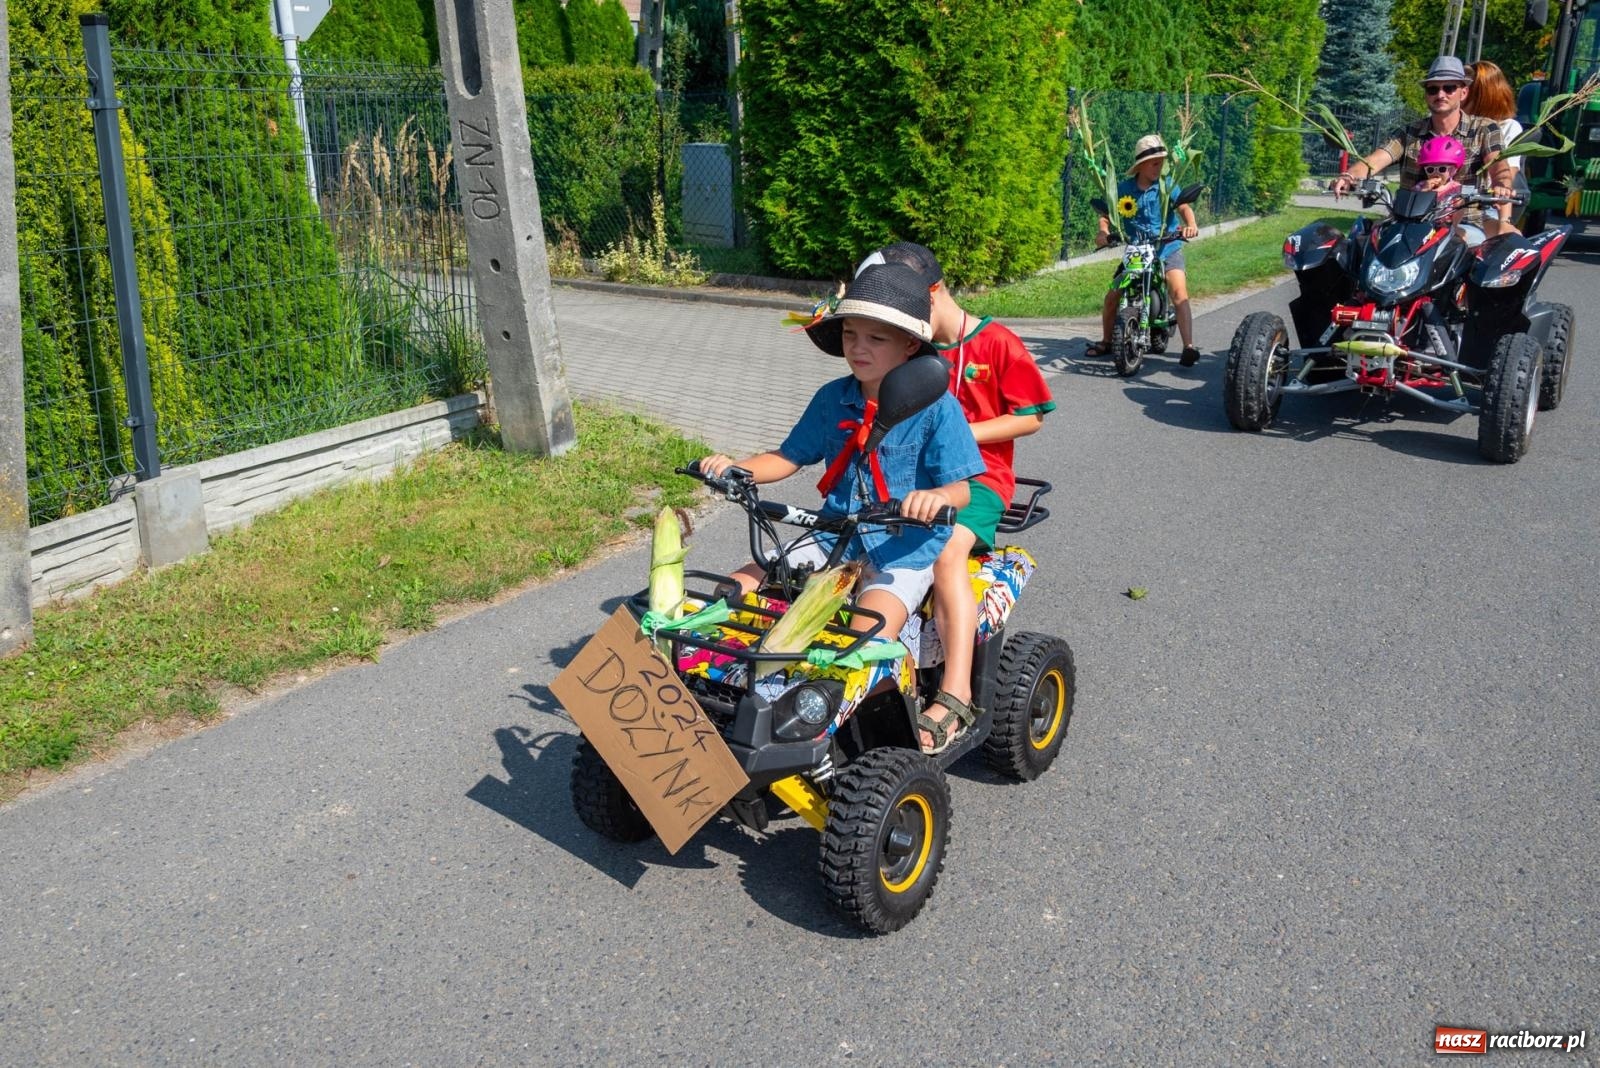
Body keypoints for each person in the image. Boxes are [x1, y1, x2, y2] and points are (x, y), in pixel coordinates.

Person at [698, 263, 985, 752]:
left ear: (910, 346)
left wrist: (933, 498)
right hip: (836, 534)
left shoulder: (937, 408)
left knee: (865, 632)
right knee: (749, 582)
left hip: (904, 547)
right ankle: (714, 683)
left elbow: (961, 490)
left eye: (876, 338)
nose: (858, 348)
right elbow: (787, 457)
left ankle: (861, 729)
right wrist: (736, 469)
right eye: (850, 334)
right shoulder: (834, 399)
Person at [856, 241, 1056, 753]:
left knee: (946, 552)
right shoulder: (907, 349)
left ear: (934, 291)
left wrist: (963, 431)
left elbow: (1032, 414)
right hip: (906, 479)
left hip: (980, 481)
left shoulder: (996, 344)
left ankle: (956, 691)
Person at [1332, 55, 1515, 231]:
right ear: (1426, 95)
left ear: (1463, 92)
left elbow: (1499, 167)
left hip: (1464, 226)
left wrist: (1502, 187)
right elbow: (1374, 161)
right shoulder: (1408, 133)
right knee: (1362, 248)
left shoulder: (1484, 128)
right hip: (1410, 226)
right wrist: (1349, 176)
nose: (1441, 94)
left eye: (1449, 87)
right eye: (1432, 89)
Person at [1086, 134, 1202, 366]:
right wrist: (1103, 232)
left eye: (1162, 163)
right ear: (1141, 165)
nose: (1159, 168)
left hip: (1167, 247)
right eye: (1154, 163)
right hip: (1138, 251)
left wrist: (1191, 224)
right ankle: (1107, 340)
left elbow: (1184, 207)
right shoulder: (1124, 189)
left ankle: (1188, 346)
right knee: (1112, 296)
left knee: (1178, 291)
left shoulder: (1166, 184)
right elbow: (1106, 215)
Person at [1465, 58, 1524, 231]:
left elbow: (1506, 173)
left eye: (1466, 88)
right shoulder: (1454, 124)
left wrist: (1504, 220)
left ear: (1482, 95)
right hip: (1448, 206)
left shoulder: (1509, 128)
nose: (1459, 93)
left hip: (1483, 205)